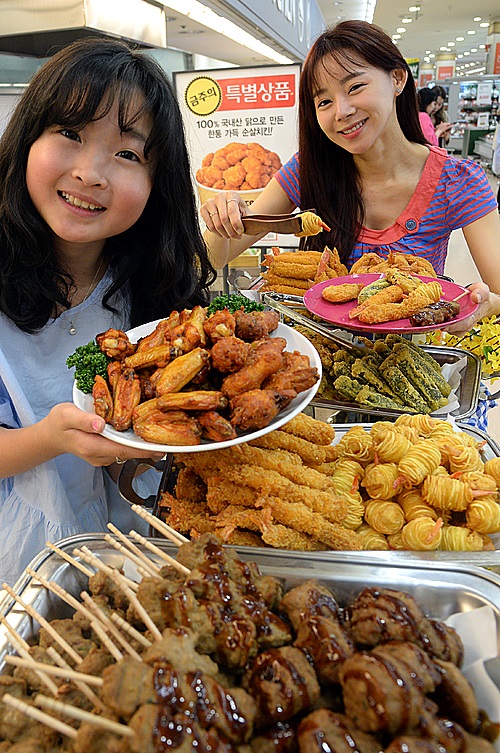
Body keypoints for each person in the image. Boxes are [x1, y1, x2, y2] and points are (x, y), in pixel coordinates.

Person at [0, 37, 215, 585]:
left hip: (126, 558)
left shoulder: (156, 287)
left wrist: (144, 450)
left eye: (127, 154)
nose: (90, 172)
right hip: (15, 575)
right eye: (70, 133)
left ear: (156, 183)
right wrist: (49, 439)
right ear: (28, 137)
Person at [202, 20, 500, 333]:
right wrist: (224, 218)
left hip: (412, 350)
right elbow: (211, 259)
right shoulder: (309, 170)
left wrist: (482, 304)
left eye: (354, 87)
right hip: (319, 351)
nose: (341, 112)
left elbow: (497, 293)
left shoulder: (457, 180)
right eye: (324, 102)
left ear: (397, 78)